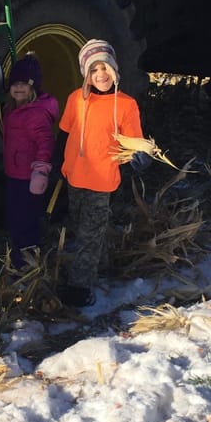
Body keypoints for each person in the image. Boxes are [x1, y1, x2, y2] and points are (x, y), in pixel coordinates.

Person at [56, 39, 144, 307]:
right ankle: (102, 263)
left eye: (105, 68)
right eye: (94, 70)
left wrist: (140, 157)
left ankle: (80, 288)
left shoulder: (126, 105)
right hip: (74, 176)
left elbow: (135, 140)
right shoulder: (76, 99)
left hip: (102, 180)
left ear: (115, 69)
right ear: (86, 74)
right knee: (81, 226)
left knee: (88, 233)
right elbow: (64, 134)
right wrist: (57, 167)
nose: (101, 75)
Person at [1, 52, 59, 269]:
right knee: (15, 218)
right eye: (14, 84)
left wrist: (41, 170)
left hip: (29, 177)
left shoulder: (34, 114)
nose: (18, 88)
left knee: (26, 220)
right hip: (14, 174)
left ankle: (27, 263)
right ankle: (19, 258)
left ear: (33, 87)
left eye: (24, 84)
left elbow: (45, 141)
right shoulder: (12, 109)